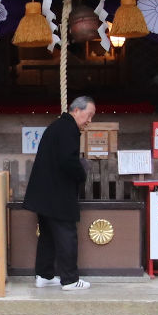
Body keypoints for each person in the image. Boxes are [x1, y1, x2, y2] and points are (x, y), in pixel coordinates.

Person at [23, 95, 96, 290]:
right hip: (57, 194)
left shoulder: (56, 126)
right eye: (89, 115)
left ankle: (44, 275)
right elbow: (68, 161)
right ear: (76, 110)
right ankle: (70, 279)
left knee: (47, 235)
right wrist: (82, 174)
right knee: (66, 235)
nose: (89, 121)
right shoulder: (68, 129)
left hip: (45, 193)